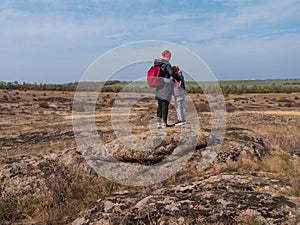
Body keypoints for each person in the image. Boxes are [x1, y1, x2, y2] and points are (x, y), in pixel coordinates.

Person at [154, 50, 181, 129]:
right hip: (166, 86)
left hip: (159, 85)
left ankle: (158, 123)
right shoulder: (166, 64)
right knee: (165, 104)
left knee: (160, 105)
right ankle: (164, 124)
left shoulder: (157, 62)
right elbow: (171, 73)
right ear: (168, 56)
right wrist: (178, 79)